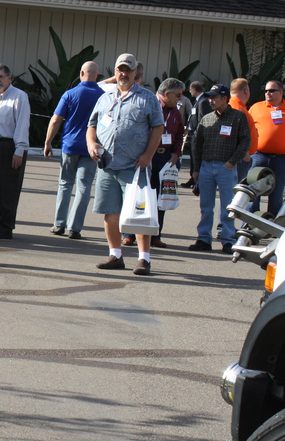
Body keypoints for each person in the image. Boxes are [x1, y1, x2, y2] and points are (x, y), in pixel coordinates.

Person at [86, 53, 164, 276]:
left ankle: (143, 259)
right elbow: (91, 125)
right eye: (120, 70)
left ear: (135, 73)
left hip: (135, 167)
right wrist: (91, 144)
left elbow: (158, 128)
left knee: (140, 213)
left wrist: (148, 155)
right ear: (116, 72)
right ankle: (116, 255)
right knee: (110, 212)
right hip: (107, 165)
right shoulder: (105, 98)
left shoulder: (147, 98)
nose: (123, 74)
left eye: (128, 70)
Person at [123, 78, 184, 248]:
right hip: (146, 157)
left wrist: (176, 154)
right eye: (178, 95)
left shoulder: (177, 112)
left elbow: (179, 136)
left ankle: (155, 235)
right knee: (139, 195)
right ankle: (129, 234)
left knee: (160, 199)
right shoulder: (150, 105)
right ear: (167, 94)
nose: (180, 98)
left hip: (165, 159)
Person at [189, 84, 250, 253]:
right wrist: (196, 168)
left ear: (224, 98)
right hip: (207, 166)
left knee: (228, 206)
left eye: (214, 97)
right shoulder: (207, 118)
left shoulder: (238, 117)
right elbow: (197, 144)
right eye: (210, 97)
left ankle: (228, 239)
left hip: (226, 167)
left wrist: (232, 162)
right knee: (206, 206)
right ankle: (204, 239)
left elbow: (245, 140)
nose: (211, 100)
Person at [45, 61, 102, 240]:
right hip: (91, 147)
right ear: (97, 76)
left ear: (81, 74)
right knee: (84, 187)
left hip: (70, 146)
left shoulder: (70, 94)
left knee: (65, 183)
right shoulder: (104, 96)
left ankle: (59, 223)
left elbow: (56, 120)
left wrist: (48, 142)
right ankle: (75, 227)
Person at [0, 63, 30, 239]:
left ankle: (6, 225)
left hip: (10, 146)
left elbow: (22, 124)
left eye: (1, 76)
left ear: (10, 78)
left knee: (8, 187)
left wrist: (20, 150)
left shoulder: (19, 97)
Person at [248, 80, 285, 217]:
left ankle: (273, 225)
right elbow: (246, 130)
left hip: (281, 158)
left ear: (281, 92)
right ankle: (249, 222)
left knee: (277, 193)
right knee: (253, 190)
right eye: (266, 91)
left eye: (271, 91)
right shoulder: (256, 107)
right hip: (259, 155)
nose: (267, 93)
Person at [184, 80, 212, 190]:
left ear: (194, 90)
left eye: (191, 90)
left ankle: (196, 179)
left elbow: (202, 118)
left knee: (196, 157)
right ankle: (192, 178)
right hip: (193, 133)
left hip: (197, 134)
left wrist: (198, 132)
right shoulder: (198, 101)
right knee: (193, 157)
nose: (190, 92)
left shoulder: (203, 101)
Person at [229, 78, 257, 181]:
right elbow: (237, 134)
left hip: (239, 157)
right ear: (246, 91)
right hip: (240, 159)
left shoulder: (235, 105)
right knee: (239, 191)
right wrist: (245, 155)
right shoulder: (238, 109)